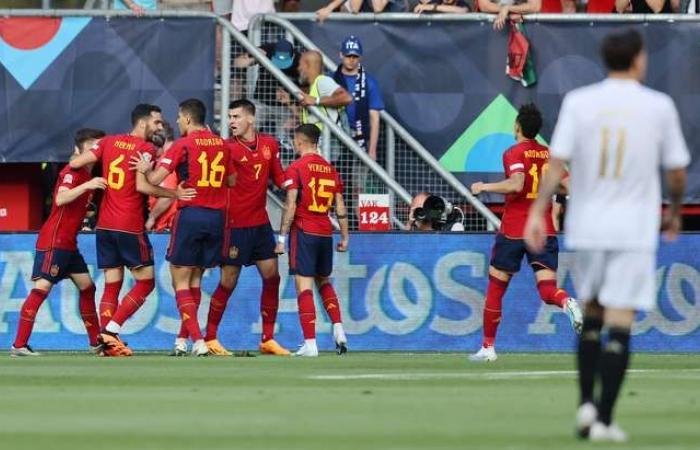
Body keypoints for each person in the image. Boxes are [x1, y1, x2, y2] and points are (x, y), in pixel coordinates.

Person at [524, 29, 690, 442]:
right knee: (621, 321)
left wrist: (538, 211)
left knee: (594, 313)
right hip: (632, 228)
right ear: (638, 59)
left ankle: (585, 403)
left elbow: (556, 165)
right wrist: (673, 211)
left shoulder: (580, 103)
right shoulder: (658, 106)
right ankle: (603, 418)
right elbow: (676, 172)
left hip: (589, 225)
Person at [70, 104, 192, 357]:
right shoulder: (145, 149)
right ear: (142, 122)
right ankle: (111, 331)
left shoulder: (107, 142)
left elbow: (76, 162)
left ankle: (107, 344)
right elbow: (143, 187)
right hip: (128, 224)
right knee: (145, 282)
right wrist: (175, 193)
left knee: (112, 284)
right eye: (157, 122)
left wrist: (90, 182)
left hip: (105, 225)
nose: (160, 126)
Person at [468, 103, 582, 363]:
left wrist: (484, 186)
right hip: (544, 230)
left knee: (496, 287)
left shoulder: (514, 152)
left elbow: (517, 184)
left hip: (514, 230)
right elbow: (570, 187)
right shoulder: (550, 155)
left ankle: (488, 348)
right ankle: (567, 302)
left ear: (517, 126)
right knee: (548, 290)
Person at [136, 98, 234, 357]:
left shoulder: (184, 144)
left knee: (179, 279)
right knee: (195, 279)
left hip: (191, 215)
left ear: (188, 118)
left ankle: (198, 341)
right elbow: (232, 180)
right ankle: (181, 340)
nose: (178, 122)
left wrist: (145, 169)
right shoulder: (223, 144)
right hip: (217, 218)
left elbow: (155, 179)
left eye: (179, 118)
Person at [196, 99, 290, 357]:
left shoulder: (269, 145)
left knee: (272, 276)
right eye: (229, 117)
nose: (231, 121)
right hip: (234, 225)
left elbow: (279, 178)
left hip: (260, 224)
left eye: (236, 116)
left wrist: (295, 182)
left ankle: (268, 339)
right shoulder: (227, 148)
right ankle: (210, 338)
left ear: (251, 118)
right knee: (228, 281)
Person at [10, 129, 107, 357]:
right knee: (41, 289)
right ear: (78, 150)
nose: (96, 151)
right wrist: (86, 187)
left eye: (99, 147)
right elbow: (61, 198)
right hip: (54, 240)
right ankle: (19, 345)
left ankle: (95, 343)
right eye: (92, 146)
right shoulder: (72, 171)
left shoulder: (90, 176)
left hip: (69, 243)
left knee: (88, 287)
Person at [275, 124, 350, 357]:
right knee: (324, 281)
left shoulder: (296, 167)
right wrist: (345, 236)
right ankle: (339, 330)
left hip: (304, 231)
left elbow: (291, 204)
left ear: (299, 141)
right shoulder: (330, 169)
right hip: (325, 233)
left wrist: (281, 238)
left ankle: (310, 343)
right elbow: (340, 206)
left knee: (303, 285)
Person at [332, 35, 384, 162]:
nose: (351, 60)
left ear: (360, 57)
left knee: (358, 174)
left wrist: (372, 150)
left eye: (354, 56)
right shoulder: (331, 79)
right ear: (341, 55)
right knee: (332, 173)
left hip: (360, 137)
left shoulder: (369, 82)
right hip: (334, 133)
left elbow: (374, 118)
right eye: (348, 56)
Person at [298, 50, 353, 132]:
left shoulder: (322, 81)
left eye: (300, 65)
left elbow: (346, 98)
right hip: (321, 138)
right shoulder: (314, 87)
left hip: (332, 138)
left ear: (307, 65)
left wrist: (316, 101)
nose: (298, 68)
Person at [146, 121, 178, 232]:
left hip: (169, 226)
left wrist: (151, 217)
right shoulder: (176, 153)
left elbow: (168, 195)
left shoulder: (169, 158)